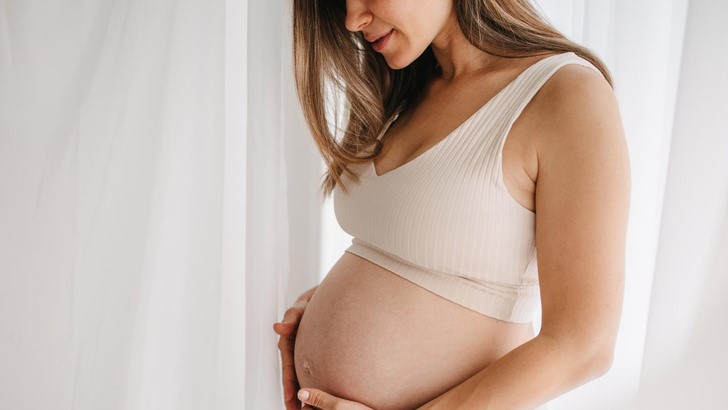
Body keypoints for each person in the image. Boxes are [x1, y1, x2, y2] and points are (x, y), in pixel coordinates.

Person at [273, 0, 630, 409]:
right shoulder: (409, 87)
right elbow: (416, 257)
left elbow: (584, 346)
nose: (352, 20)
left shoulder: (567, 94)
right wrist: (320, 305)